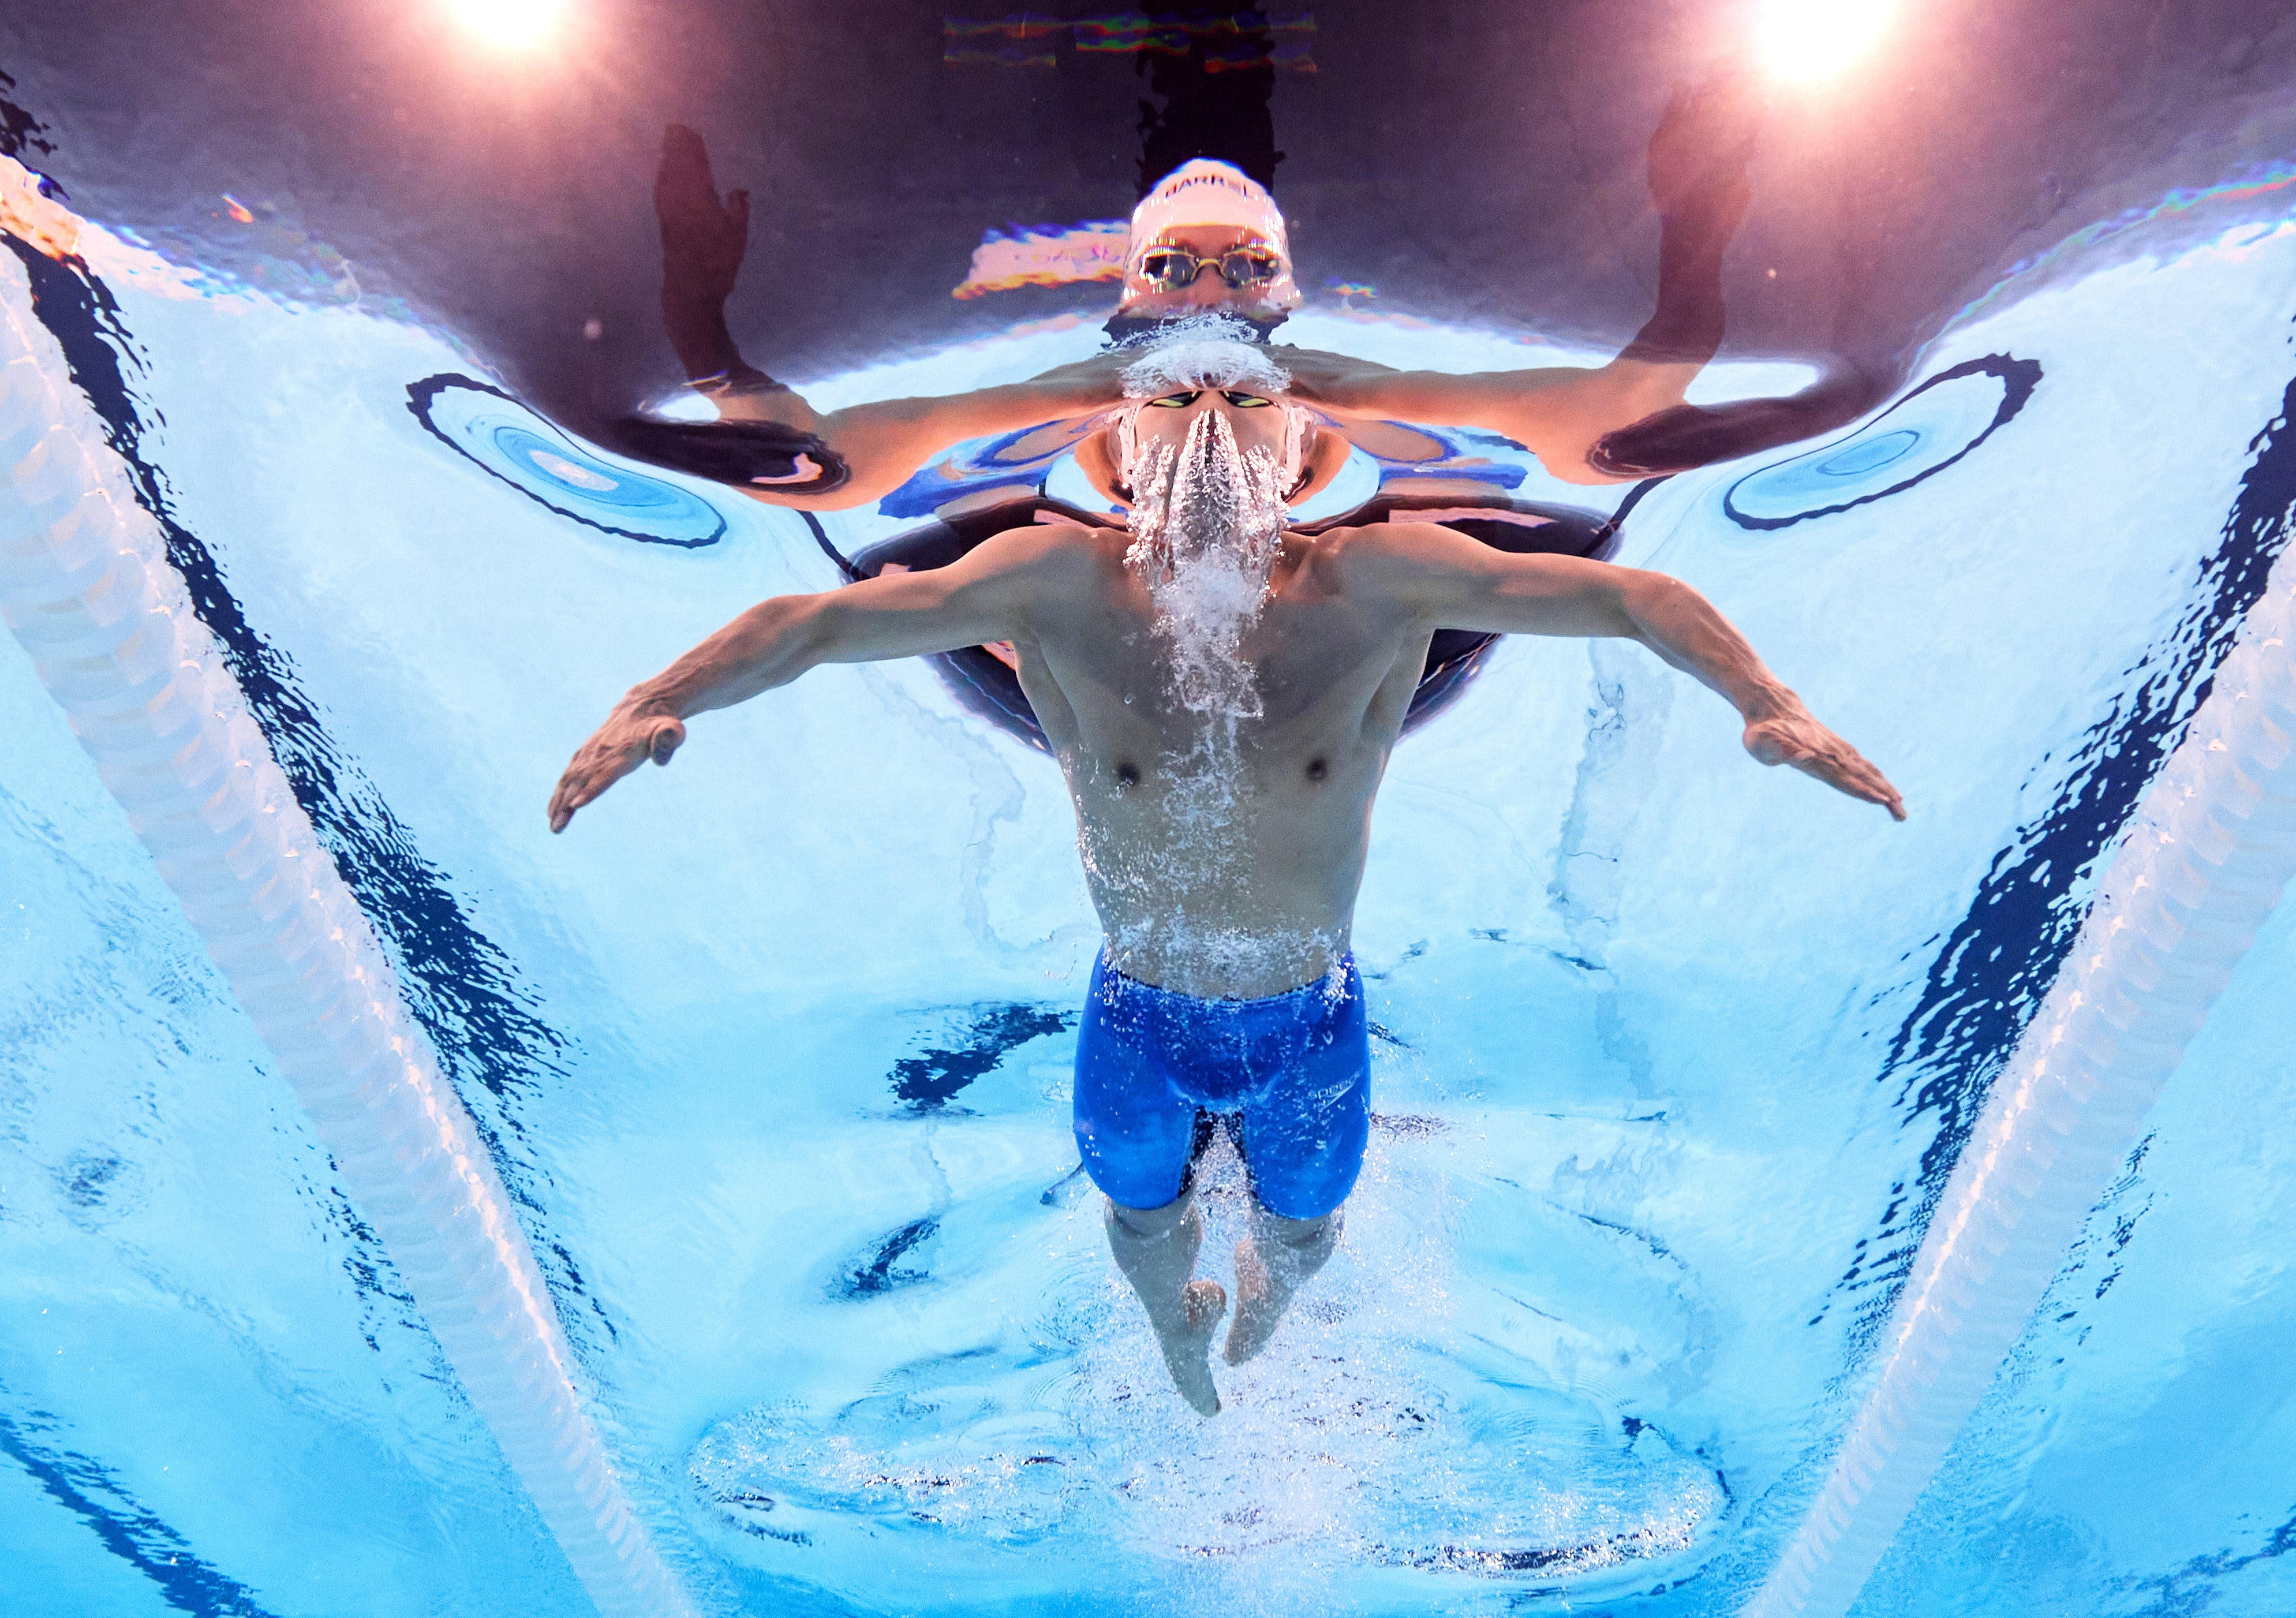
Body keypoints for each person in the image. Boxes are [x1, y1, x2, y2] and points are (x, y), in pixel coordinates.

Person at [548, 331, 1905, 1415]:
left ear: (1298, 438)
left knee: (1303, 1240)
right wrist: (652, 700)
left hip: (1308, 1020)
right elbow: (815, 621)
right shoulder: (1048, 584)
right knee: (1142, 1232)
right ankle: (1169, 1331)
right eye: (1173, 394)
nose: (1206, 411)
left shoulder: (1382, 579)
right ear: (1124, 443)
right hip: (1134, 1018)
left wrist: (1762, 700)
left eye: (1241, 395)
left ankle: (1264, 1297)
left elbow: (1623, 597)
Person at [612, 72, 1882, 511]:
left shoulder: (1357, 405)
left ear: (1287, 293)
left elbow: (1622, 411)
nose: (1206, 289)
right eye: (1171, 266)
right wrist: (699, 323)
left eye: (1240, 267)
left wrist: (1694, 233)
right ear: (1127, 296)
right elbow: (827, 463)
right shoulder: (1054, 410)